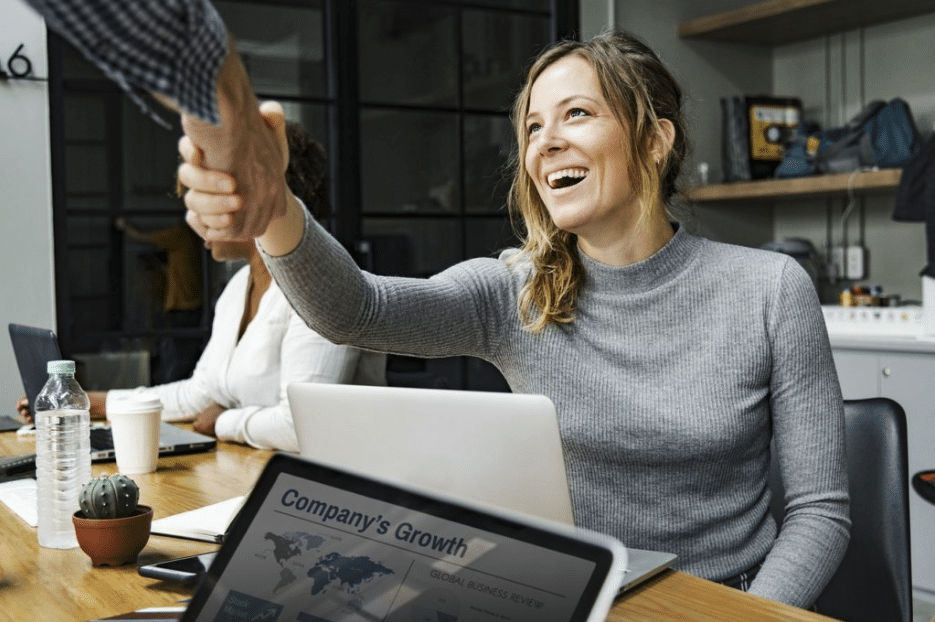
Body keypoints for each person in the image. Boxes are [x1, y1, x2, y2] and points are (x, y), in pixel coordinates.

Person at [18, 2, 848, 609]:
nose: (545, 141)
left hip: (721, 602)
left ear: (655, 138)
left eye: (576, 115)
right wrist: (273, 206)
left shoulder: (767, 290)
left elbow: (817, 514)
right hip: (571, 599)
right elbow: (357, 310)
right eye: (531, 127)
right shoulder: (512, 287)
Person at [18, 122, 386, 452]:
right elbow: (200, 395)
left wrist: (224, 421)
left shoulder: (323, 284)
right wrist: (84, 403)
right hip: (255, 472)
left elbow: (301, 427)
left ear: (257, 195)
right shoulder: (238, 287)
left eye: (205, 196)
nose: (193, 214)